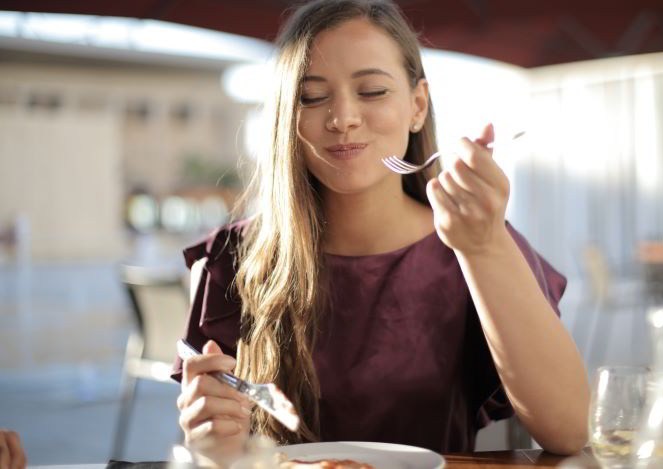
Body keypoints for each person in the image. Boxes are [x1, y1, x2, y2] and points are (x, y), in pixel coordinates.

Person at [173, 0, 589, 463]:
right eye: (311, 97)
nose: (343, 118)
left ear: (417, 106)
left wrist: (484, 247)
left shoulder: (476, 241)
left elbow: (569, 432)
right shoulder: (232, 259)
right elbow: (222, 449)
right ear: (287, 119)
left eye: (371, 91)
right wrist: (211, 444)